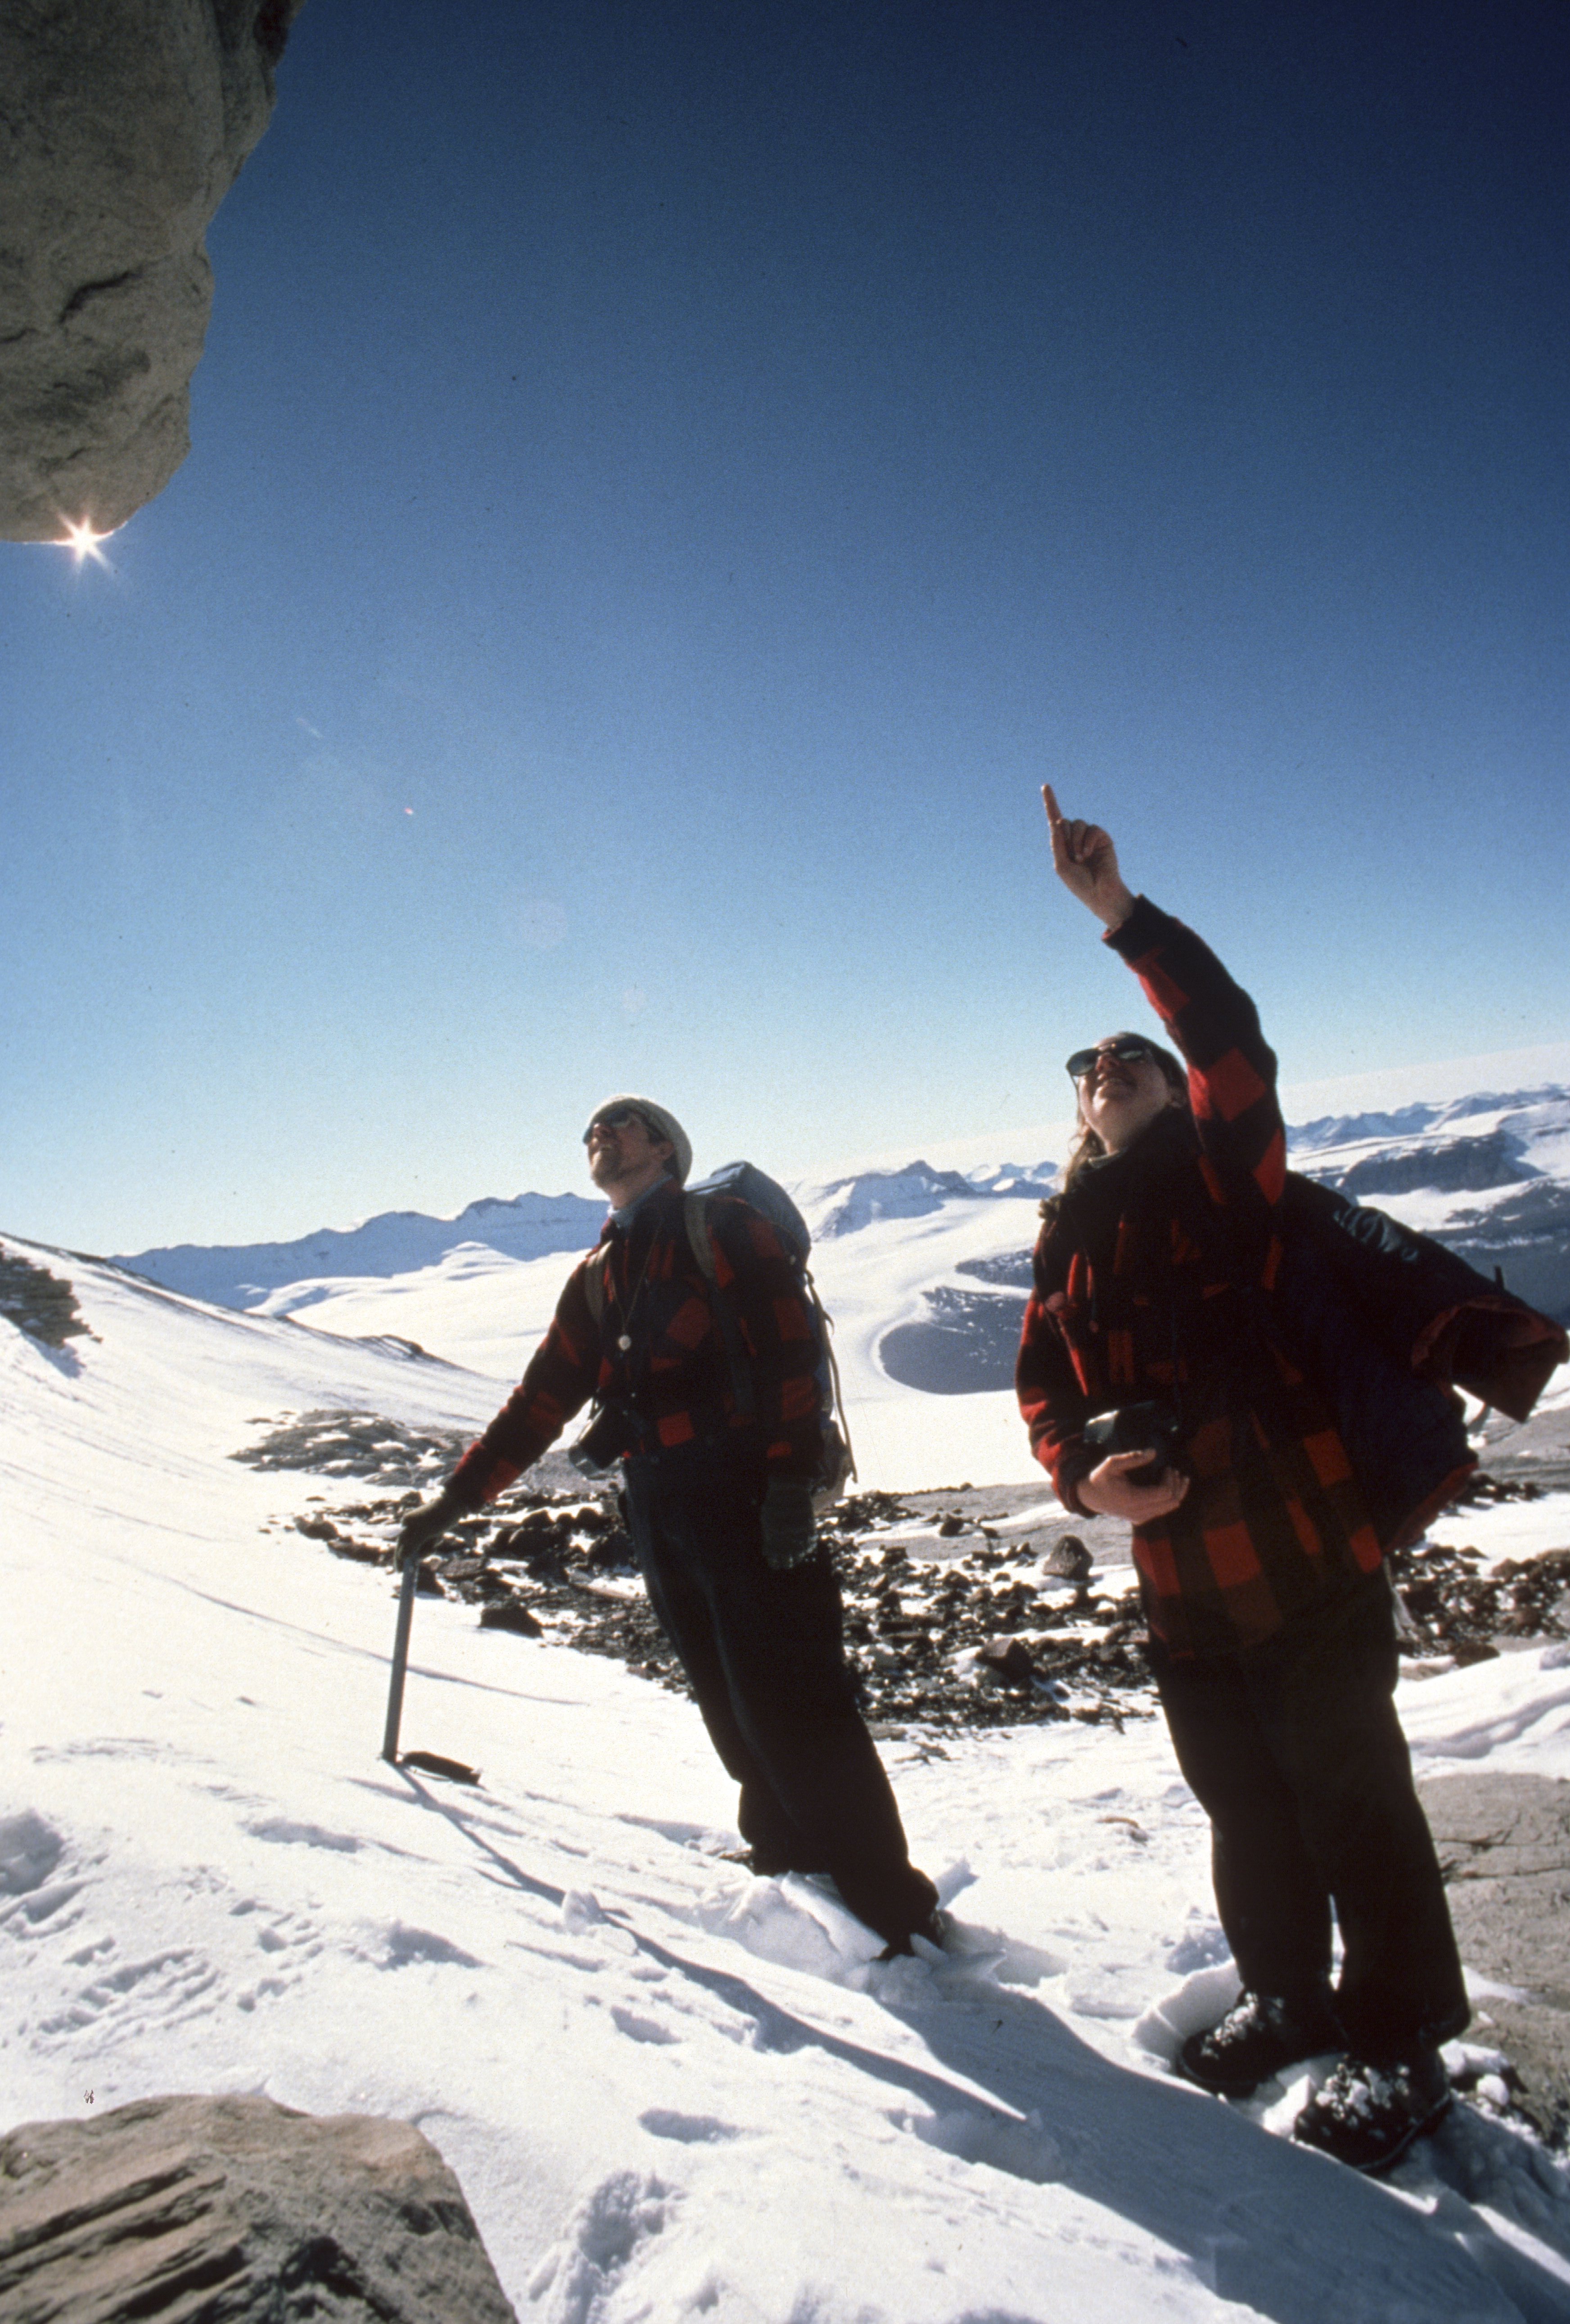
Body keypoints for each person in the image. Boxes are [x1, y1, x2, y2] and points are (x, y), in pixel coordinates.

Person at [1016, 787, 1567, 2173]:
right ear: (1081, 1114)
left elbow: (1229, 1038)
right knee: (1244, 1801)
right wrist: (1087, 1485)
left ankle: (1402, 2054)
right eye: (1092, 1071)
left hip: (1306, 1539)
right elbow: (1046, 1396)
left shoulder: (1229, 1180)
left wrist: (1122, 918)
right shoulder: (1066, 1243)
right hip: (1181, 1573)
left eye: (1129, 1059)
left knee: (1352, 1794)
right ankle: (1285, 1992)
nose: (1112, 1071)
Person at [399, 1096, 941, 1958]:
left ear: (666, 1149)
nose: (600, 1133)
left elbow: (792, 1350)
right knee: (731, 1703)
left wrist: (794, 1484)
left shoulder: (718, 1226)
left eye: (623, 1122)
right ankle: (790, 1868)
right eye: (590, 1129)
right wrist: (453, 1502)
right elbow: (541, 1400)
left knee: (799, 1704)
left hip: (747, 1493)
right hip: (661, 1504)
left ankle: (893, 1908)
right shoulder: (599, 1271)